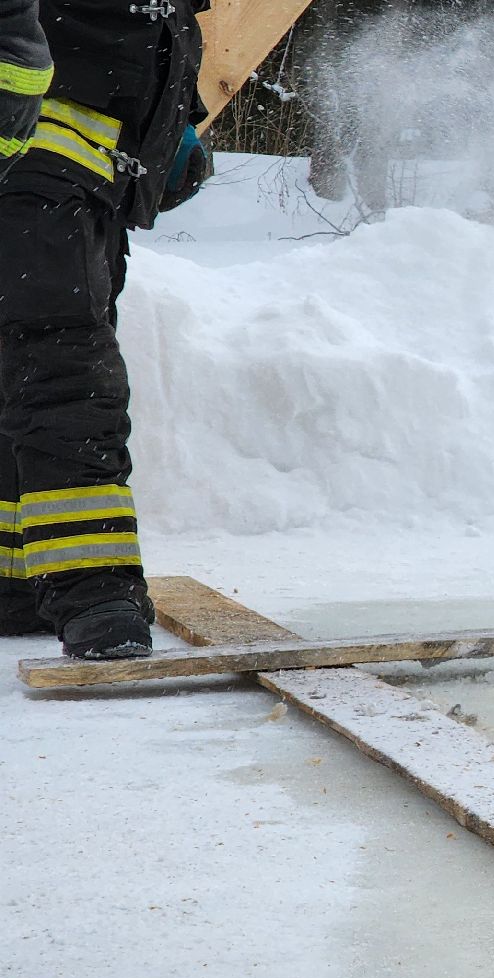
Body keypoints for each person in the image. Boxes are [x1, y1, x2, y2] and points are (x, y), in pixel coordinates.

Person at [0, 0, 211, 658]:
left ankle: (18, 579)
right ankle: (93, 589)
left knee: (23, 362)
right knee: (63, 365)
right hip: (37, 150)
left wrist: (171, 124)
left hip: (79, 164)